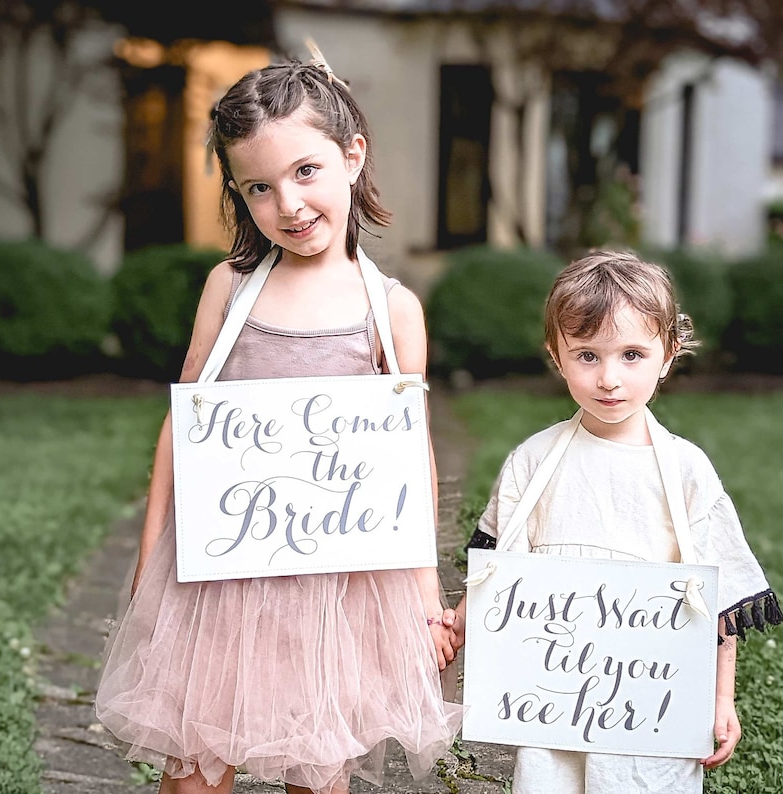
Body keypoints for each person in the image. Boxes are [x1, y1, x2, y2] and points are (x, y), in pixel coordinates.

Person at [95, 48, 462, 794]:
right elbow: (183, 421)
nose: (287, 205)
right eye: (258, 188)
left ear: (352, 156)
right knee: (194, 771)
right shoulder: (228, 287)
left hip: (336, 583)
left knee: (318, 766)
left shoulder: (389, 310)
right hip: (220, 576)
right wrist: (148, 552)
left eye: (304, 173)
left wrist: (424, 593)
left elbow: (406, 453)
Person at [442, 250, 782, 793]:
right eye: (586, 355)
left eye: (631, 354)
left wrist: (720, 700)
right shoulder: (533, 461)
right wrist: (456, 625)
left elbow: (714, 603)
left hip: (651, 709)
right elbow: (499, 571)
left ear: (667, 355)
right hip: (551, 705)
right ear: (557, 355)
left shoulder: (688, 471)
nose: (609, 378)